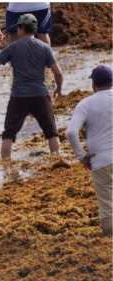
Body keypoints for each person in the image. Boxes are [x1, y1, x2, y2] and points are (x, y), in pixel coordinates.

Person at [0, 13, 63, 161]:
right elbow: (58, 73)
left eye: (18, 28)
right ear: (35, 29)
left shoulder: (13, 48)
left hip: (18, 97)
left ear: (21, 29)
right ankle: (57, 162)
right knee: (51, 133)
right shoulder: (44, 48)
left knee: (8, 134)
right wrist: (58, 89)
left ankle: (6, 166)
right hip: (40, 96)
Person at [67, 65, 113, 236]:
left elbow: (71, 132)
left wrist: (82, 156)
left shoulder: (86, 104)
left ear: (93, 84)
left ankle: (109, 234)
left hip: (101, 160)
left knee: (107, 202)